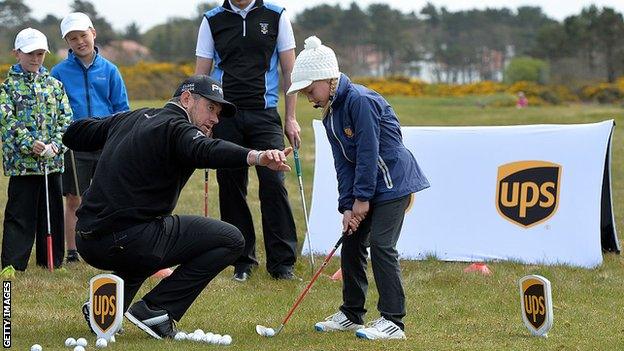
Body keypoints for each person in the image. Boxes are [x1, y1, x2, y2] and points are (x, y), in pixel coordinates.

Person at [63, 75, 293, 339]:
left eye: (218, 113)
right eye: (210, 108)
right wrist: (257, 156)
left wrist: (94, 126)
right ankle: (155, 309)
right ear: (186, 99)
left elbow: (74, 134)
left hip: (89, 239)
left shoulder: (132, 117)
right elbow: (207, 150)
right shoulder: (178, 128)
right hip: (128, 238)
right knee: (230, 239)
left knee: (150, 239)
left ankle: (105, 307)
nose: (215, 119)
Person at [286, 36, 430, 340]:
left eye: (310, 90)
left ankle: (393, 321)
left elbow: (367, 153)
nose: (309, 98)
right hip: (367, 187)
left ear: (327, 79)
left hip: (393, 184)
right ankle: (352, 314)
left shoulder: (360, 101)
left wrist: (362, 199)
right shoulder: (330, 114)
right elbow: (343, 164)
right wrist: (347, 205)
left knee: (381, 245)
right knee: (351, 241)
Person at [195, 0, 300, 281]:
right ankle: (242, 260)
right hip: (225, 116)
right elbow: (201, 75)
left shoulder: (277, 16)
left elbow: (290, 72)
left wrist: (290, 118)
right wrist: (201, 119)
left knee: (273, 183)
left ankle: (282, 264)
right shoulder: (212, 20)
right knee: (230, 186)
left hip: (264, 114)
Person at [51, 12, 130, 263]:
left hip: (107, 140)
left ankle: (110, 245)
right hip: (75, 142)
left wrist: (122, 137)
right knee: (74, 198)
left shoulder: (110, 70)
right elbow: (54, 108)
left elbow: (121, 107)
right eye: (72, 38)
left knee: (109, 196)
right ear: (67, 42)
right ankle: (73, 251)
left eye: (83, 35)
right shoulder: (58, 72)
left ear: (93, 33)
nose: (79, 42)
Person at [0, 28, 72, 273]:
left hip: (51, 164)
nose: (35, 58)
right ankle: (13, 264)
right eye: (30, 53)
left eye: (40, 53)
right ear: (16, 53)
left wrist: (55, 145)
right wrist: (29, 142)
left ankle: (51, 261)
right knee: (20, 215)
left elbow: (66, 121)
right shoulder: (7, 88)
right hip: (22, 166)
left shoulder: (55, 86)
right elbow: (7, 121)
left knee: (51, 214)